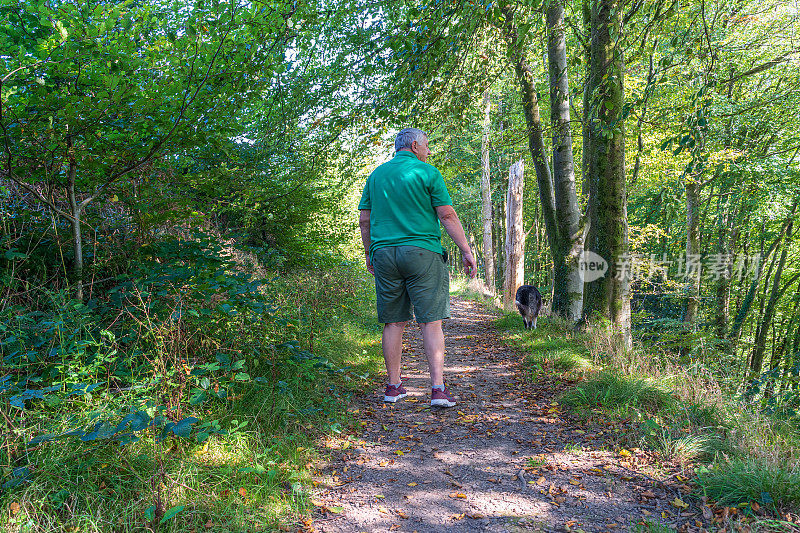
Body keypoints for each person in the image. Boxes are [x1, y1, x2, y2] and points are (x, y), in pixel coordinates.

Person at [358, 128, 477, 408]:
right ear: (414, 146)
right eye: (427, 147)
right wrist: (466, 250)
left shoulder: (376, 175)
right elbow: (446, 214)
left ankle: (393, 387)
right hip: (422, 252)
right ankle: (437, 390)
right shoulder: (428, 173)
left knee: (393, 321)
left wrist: (369, 253)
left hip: (385, 254)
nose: (429, 152)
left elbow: (365, 219)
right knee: (430, 321)